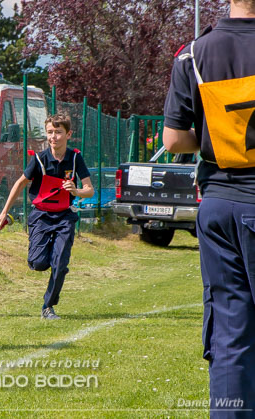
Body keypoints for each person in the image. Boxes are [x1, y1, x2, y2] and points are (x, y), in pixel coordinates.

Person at [163, 1, 255, 416]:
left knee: (231, 335)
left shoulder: (193, 53)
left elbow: (173, 140)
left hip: (218, 204)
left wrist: (218, 133)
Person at [0, 114, 94, 320]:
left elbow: (90, 190)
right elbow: (20, 183)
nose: (53, 137)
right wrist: (3, 213)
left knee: (60, 263)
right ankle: (47, 256)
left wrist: (76, 191)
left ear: (68, 134)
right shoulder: (39, 159)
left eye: (58, 132)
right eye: (50, 132)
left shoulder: (75, 158)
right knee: (38, 263)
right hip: (41, 215)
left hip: (65, 216)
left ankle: (48, 306)